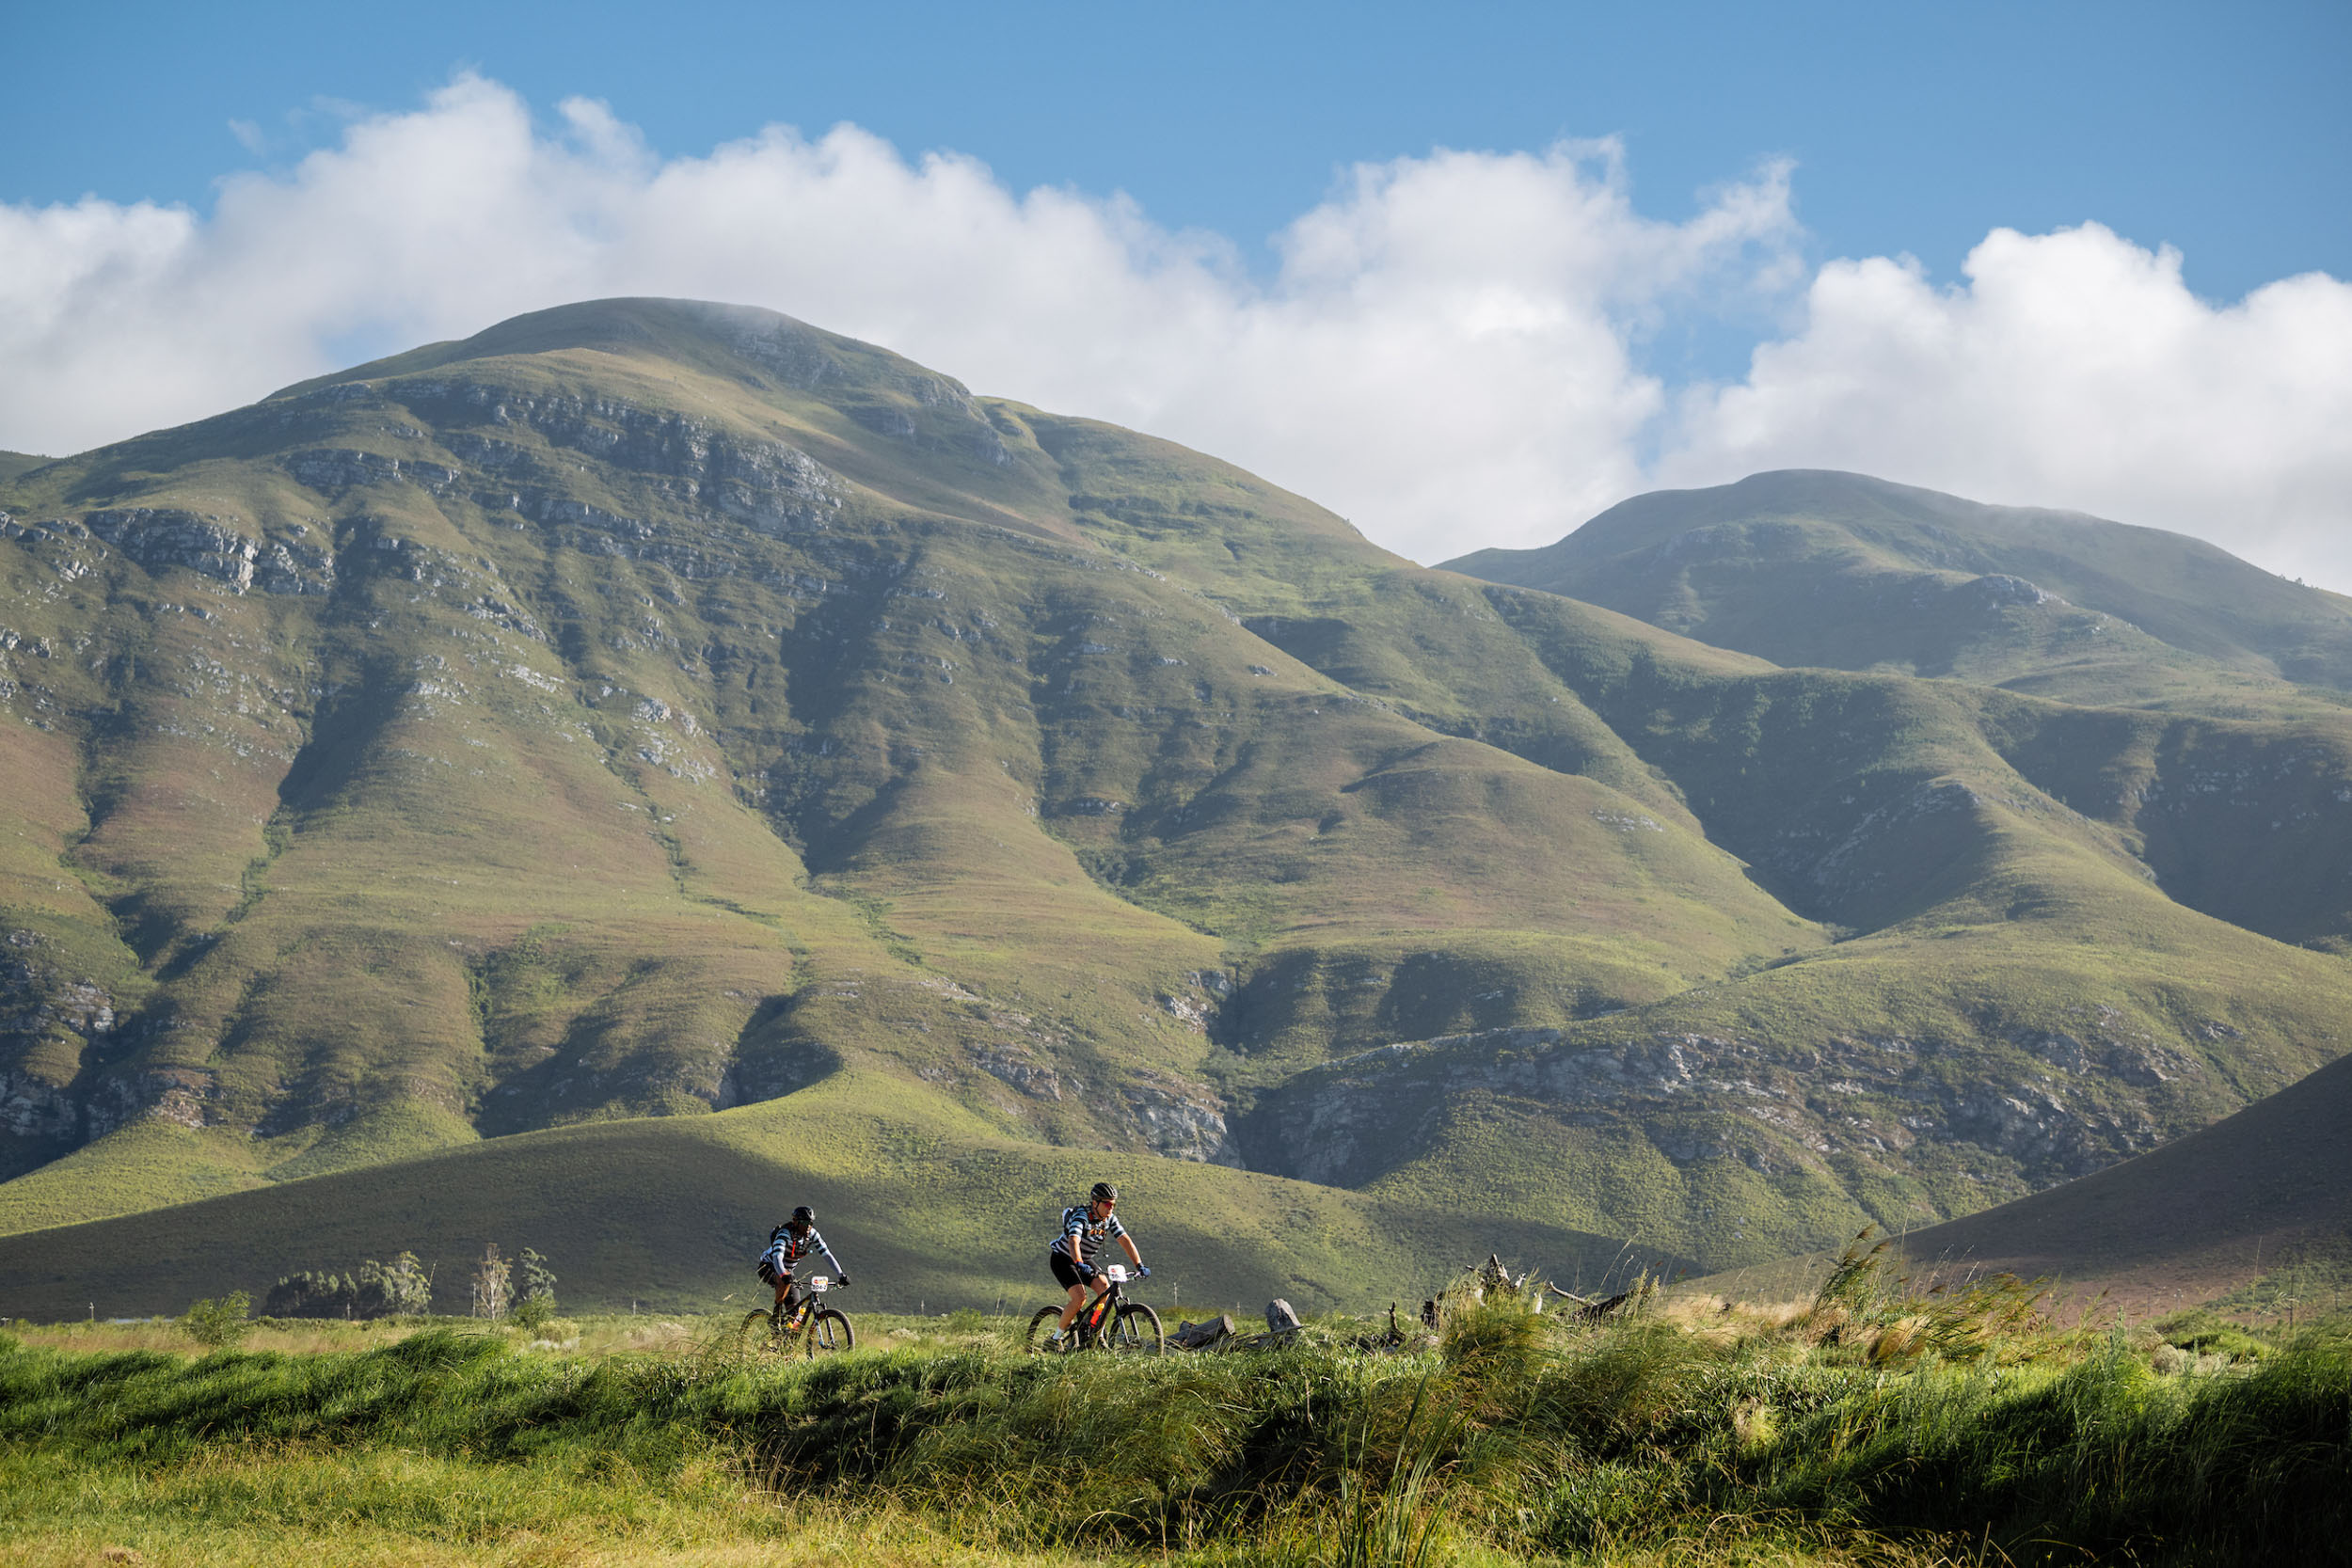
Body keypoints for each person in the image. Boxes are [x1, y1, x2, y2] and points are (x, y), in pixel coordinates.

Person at [1045, 1180, 1145, 1346]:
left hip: (1083, 1259)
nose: (1110, 1208)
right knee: (1079, 1298)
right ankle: (1055, 1339)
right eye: (1107, 1204)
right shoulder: (1081, 1216)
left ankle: (1094, 1329)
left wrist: (1139, 1265)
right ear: (1095, 1202)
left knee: (1105, 1289)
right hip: (1063, 1258)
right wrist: (1077, 1262)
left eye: (1113, 1204)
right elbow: (1073, 1241)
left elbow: (1125, 1240)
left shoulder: (1109, 1219)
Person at [758, 1204, 850, 1321]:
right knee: (784, 1281)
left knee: (796, 1313)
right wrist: (783, 1275)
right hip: (769, 1266)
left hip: (788, 1271)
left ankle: (786, 1336)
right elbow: (777, 1258)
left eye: (811, 1224)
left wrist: (841, 1274)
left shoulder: (812, 1234)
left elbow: (827, 1254)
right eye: (806, 1223)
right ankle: (777, 1315)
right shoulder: (784, 1234)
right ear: (796, 1222)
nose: (809, 1227)